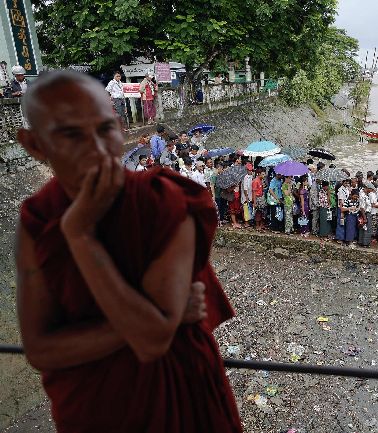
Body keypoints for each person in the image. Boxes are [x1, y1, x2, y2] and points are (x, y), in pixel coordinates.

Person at [16, 70, 241, 432]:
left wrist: (79, 237)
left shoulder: (162, 198)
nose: (96, 149)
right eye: (71, 135)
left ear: (120, 129)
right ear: (35, 145)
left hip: (178, 396)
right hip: (95, 409)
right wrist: (78, 232)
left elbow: (152, 339)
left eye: (105, 130)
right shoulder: (39, 218)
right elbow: (41, 349)